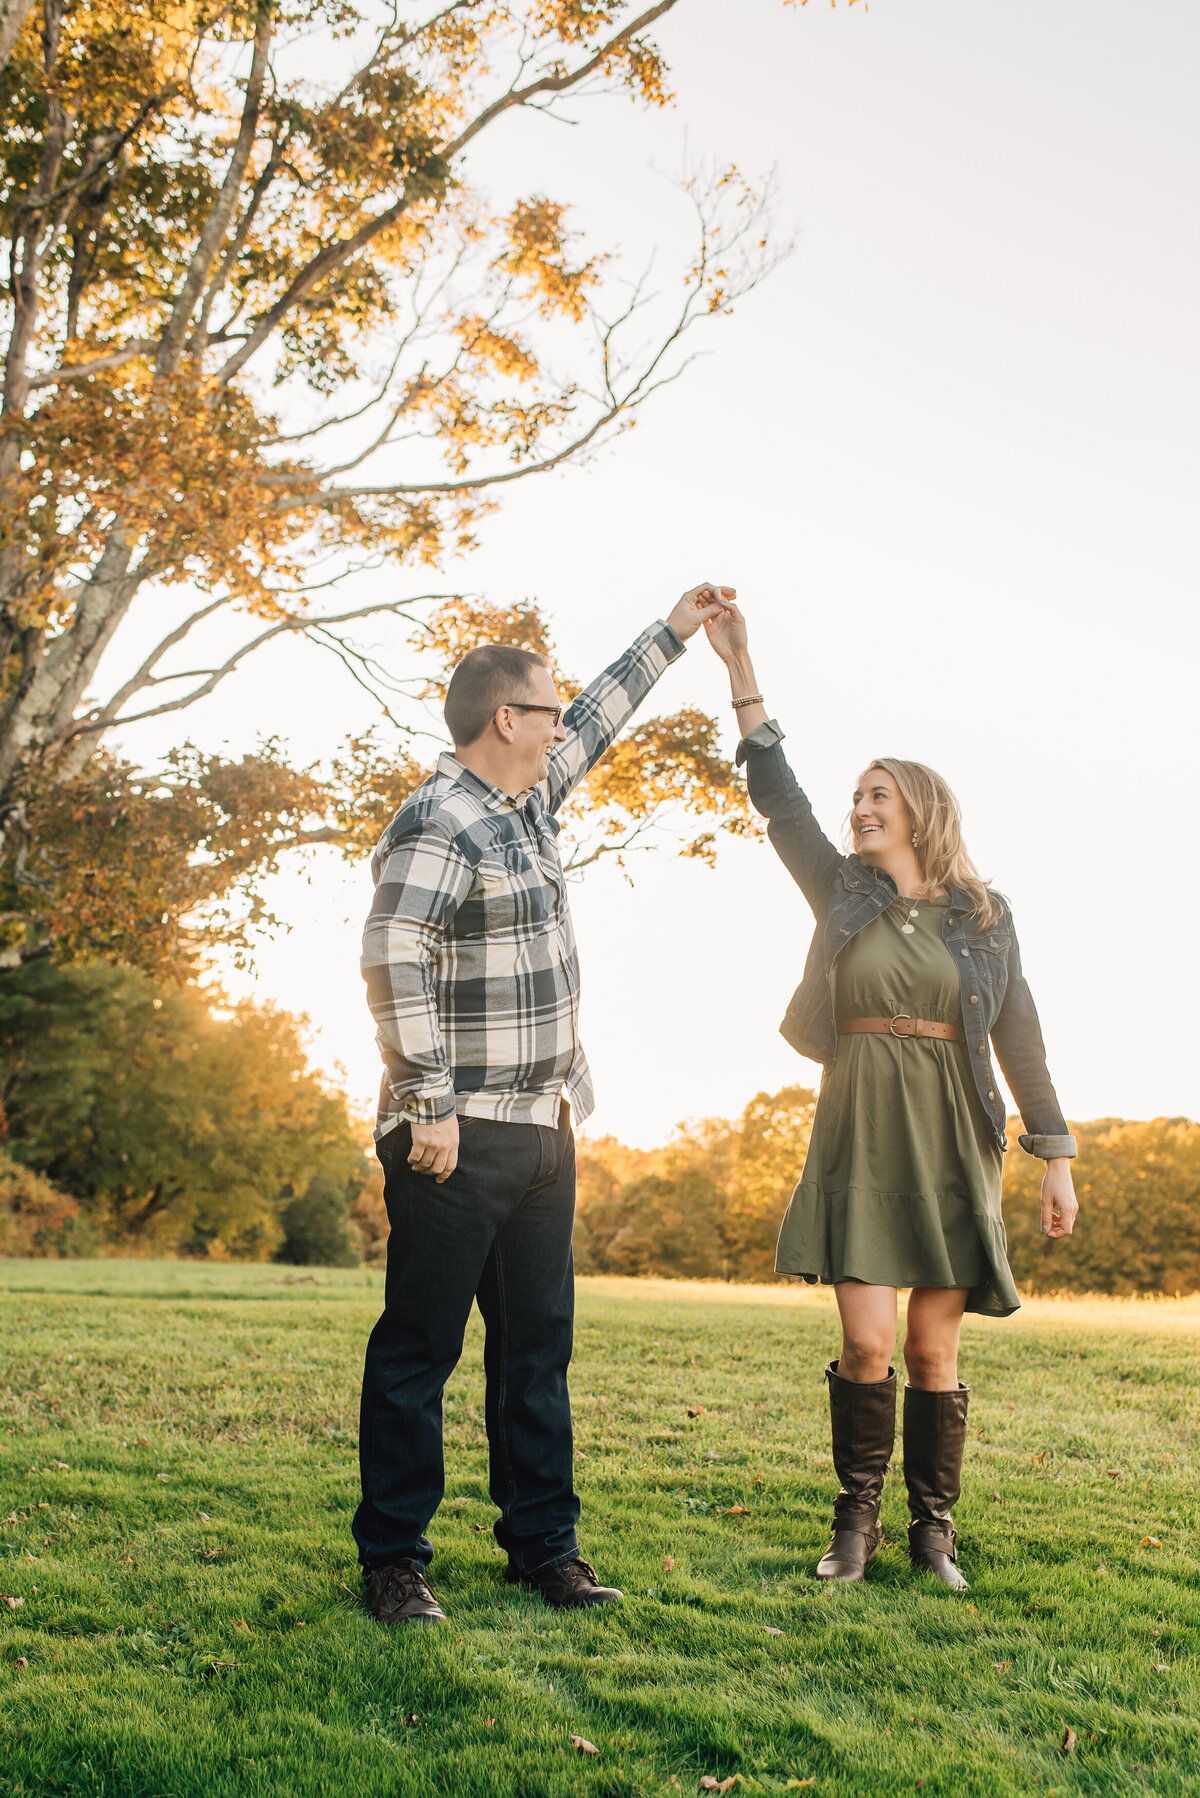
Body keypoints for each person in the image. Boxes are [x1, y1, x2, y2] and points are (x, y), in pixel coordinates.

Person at [354, 583, 732, 1624]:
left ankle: (543, 1548)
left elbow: (604, 714)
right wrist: (427, 1102)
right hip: (453, 1131)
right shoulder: (438, 817)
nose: (565, 722)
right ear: (504, 720)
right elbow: (394, 954)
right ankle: (393, 1559)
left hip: (544, 1129)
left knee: (537, 1353)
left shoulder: (527, 801)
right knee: (419, 1351)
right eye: (548, 707)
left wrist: (675, 632)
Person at [703, 601, 1079, 1592]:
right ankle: (854, 1529)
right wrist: (743, 670)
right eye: (857, 797)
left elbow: (1021, 1033)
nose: (859, 808)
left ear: (920, 808)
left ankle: (935, 1536)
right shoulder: (843, 892)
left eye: (877, 796)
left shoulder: (986, 919)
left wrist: (1058, 1154)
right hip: (861, 1132)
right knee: (867, 1342)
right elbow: (778, 799)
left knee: (931, 1342)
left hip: (956, 1137)